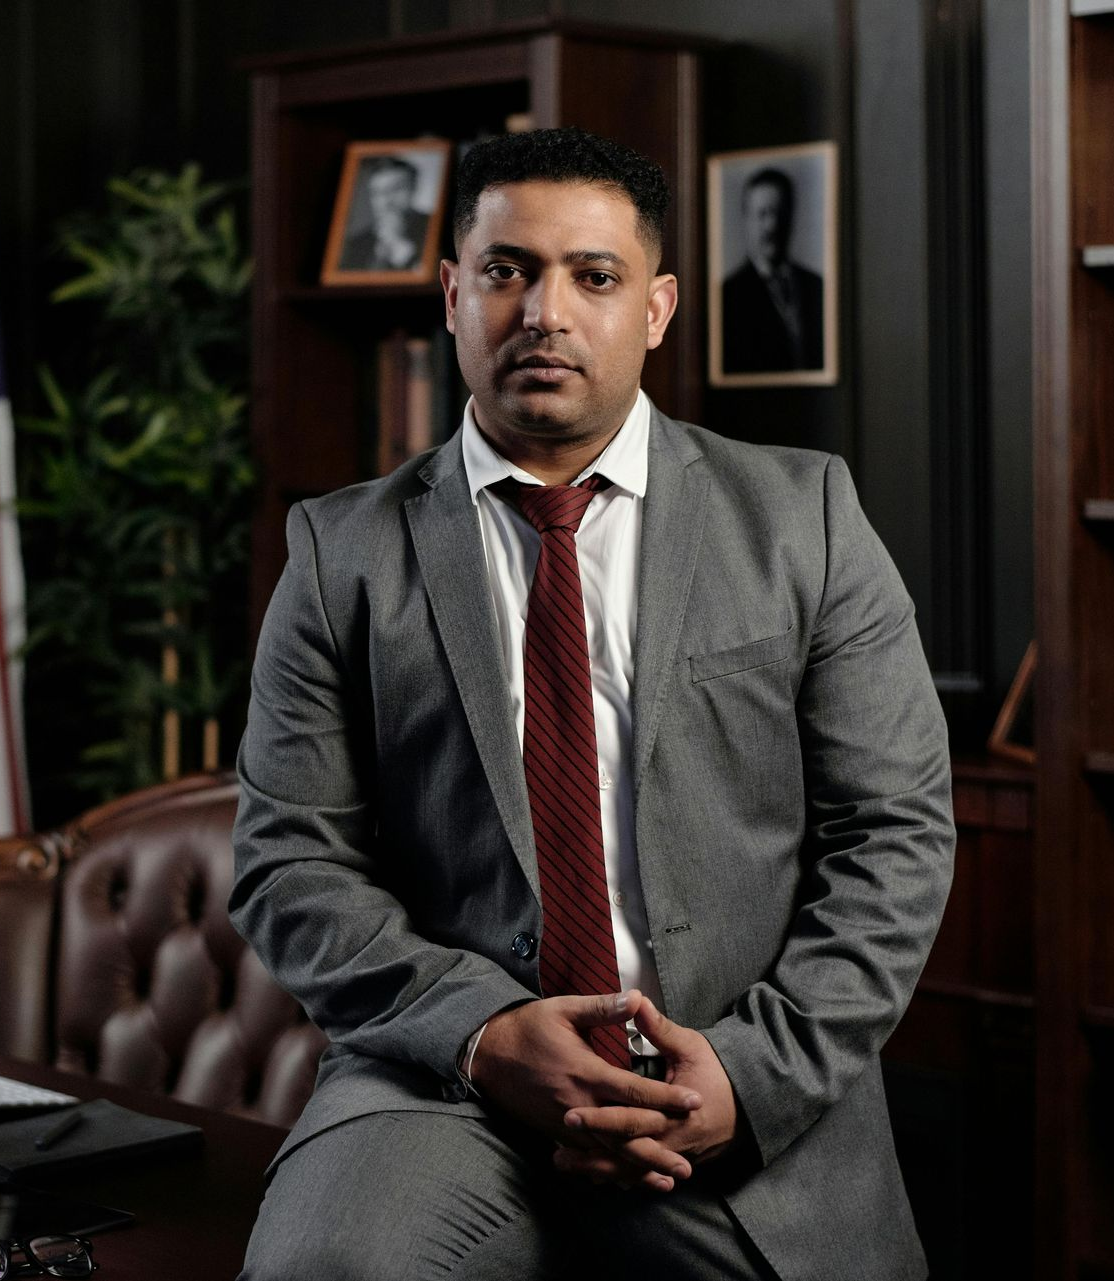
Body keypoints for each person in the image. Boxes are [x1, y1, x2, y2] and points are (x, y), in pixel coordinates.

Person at [232, 125, 954, 1281]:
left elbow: (898, 838)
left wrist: (750, 1072)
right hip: (444, 1083)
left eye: (594, 276)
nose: (545, 312)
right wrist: (483, 1034)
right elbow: (287, 863)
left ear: (658, 308)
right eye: (509, 270)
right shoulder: (341, 554)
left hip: (728, 1079)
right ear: (453, 293)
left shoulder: (805, 520)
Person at [720, 167, 825, 375]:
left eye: (779, 213)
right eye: (762, 214)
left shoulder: (816, 285)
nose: (772, 225)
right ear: (746, 219)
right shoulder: (729, 295)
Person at [340, 155, 429, 271]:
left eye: (396, 189)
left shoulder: (434, 228)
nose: (386, 201)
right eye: (378, 193)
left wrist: (399, 246)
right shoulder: (357, 243)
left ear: (414, 188)